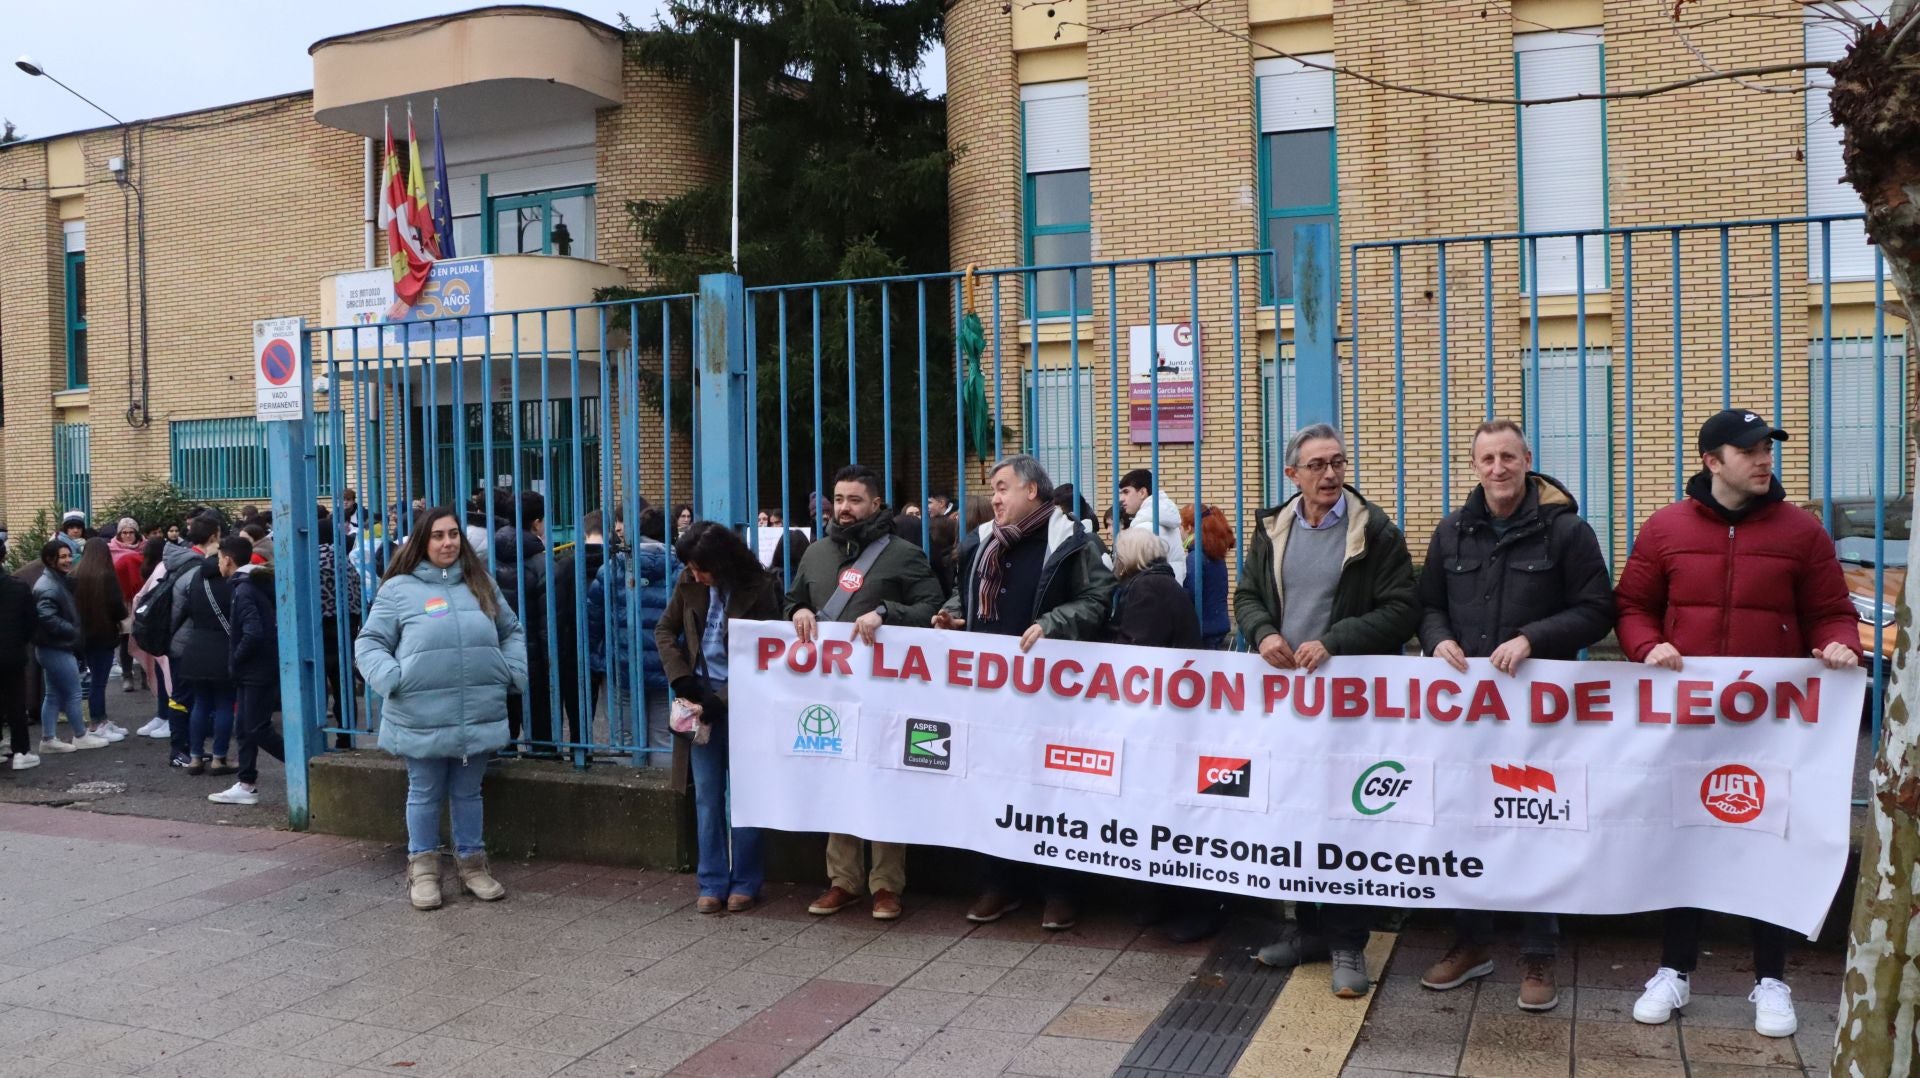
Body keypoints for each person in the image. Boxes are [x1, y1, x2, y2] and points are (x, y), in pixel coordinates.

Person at [1615, 408, 1861, 1039]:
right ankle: (1674, 972)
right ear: (1711, 460)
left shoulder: (1801, 532)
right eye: (1749, 449)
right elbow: (1633, 607)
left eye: (1767, 449)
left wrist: (1839, 646)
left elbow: (1832, 612)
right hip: (1688, 721)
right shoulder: (1666, 528)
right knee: (1686, 838)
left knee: (1766, 840)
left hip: (1771, 726)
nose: (1763, 460)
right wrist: (1648, 647)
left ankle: (1772, 980)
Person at [1414, 420, 1616, 1013]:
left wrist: (1532, 637)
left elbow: (1597, 609)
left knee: (1535, 819)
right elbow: (1427, 605)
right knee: (1465, 819)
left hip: (1538, 714)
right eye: (1486, 459)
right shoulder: (1452, 531)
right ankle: (1473, 942)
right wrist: (1437, 639)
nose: (1498, 468)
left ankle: (1539, 951)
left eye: (1508, 457)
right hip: (1467, 713)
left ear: (1528, 460)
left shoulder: (1567, 532)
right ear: (1473, 466)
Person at [1237, 423, 1419, 999]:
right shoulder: (1274, 528)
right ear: (1292, 474)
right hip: (1287, 703)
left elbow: (1403, 609)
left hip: (1349, 702)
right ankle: (1308, 930)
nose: (1330, 474)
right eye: (1316, 465)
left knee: (1345, 819)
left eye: (1337, 462)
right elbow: (1245, 596)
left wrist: (1337, 640)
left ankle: (1347, 943)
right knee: (1293, 813)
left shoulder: (1376, 532)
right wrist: (1263, 632)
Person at [935, 454, 1115, 931]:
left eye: (1003, 487)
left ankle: (1060, 891)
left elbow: (1098, 600)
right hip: (989, 695)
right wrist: (954, 614)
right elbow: (967, 596)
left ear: (1032, 491)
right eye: (993, 489)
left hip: (1051, 696)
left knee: (1054, 791)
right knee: (993, 785)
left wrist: (1051, 624)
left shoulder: (1074, 543)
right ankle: (999, 883)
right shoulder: (980, 544)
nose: (994, 497)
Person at [789, 465, 947, 922]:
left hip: (887, 695)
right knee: (838, 781)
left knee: (882, 782)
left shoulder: (903, 554)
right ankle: (843, 881)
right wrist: (798, 607)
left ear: (876, 504)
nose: (844, 508)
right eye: (838, 499)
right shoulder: (816, 553)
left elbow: (932, 608)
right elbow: (791, 599)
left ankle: (885, 885)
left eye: (854, 499)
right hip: (829, 693)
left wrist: (885, 612)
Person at [355, 508, 523, 909]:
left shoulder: (480, 583)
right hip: (421, 711)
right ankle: (424, 870)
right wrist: (394, 679)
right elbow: (369, 642)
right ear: (422, 542)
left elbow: (511, 632)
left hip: (477, 708)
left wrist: (511, 671)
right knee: (424, 791)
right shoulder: (399, 589)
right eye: (438, 536)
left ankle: (473, 866)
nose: (448, 543)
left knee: (469, 793)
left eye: (453, 535)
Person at [656, 521, 781, 913]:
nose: (696, 576)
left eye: (701, 569)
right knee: (707, 797)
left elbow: (767, 656)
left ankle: (745, 881)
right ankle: (710, 881)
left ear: (722, 562)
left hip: (745, 705)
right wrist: (681, 679)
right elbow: (664, 630)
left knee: (745, 798)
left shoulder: (760, 588)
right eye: (691, 569)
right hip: (699, 703)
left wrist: (719, 701)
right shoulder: (688, 582)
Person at [589, 507, 674, 765]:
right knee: (664, 738)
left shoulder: (612, 568)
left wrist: (597, 659)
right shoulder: (681, 569)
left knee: (625, 738)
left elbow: (594, 619)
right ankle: (663, 800)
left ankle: (628, 798)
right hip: (667, 665)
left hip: (623, 663)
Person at [211, 536, 283, 806]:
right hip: (256, 669)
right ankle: (246, 782)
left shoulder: (243, 589)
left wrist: (237, 659)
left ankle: (304, 762)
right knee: (244, 726)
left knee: (256, 727)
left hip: (255, 670)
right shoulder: (251, 583)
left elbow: (253, 632)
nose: (218, 563)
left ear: (227, 559)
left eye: (219, 558)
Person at [173, 529, 242, 777]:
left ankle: (194, 757)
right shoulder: (232, 583)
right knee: (224, 703)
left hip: (196, 647)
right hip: (222, 648)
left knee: (200, 703)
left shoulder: (195, 579)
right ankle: (219, 758)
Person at [33, 541, 111, 753]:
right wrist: (73, 630)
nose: (68, 560)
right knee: (73, 692)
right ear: (51, 560)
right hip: (55, 647)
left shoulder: (54, 581)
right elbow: (46, 616)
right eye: (63, 557)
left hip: (52, 646)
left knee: (53, 694)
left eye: (69, 555)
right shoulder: (49, 585)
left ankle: (48, 739)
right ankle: (80, 735)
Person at [494, 491, 554, 751]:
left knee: (503, 724)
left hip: (497, 653)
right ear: (537, 523)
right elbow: (547, 619)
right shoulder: (542, 563)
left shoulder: (486, 559)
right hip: (534, 658)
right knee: (540, 729)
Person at [555, 509, 612, 749]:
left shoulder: (566, 564)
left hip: (574, 644)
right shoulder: (617, 561)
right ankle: (627, 755)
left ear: (583, 532)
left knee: (579, 708)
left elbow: (558, 610)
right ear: (609, 532)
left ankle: (581, 754)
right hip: (611, 642)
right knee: (620, 711)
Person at [70, 536, 130, 743]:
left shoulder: (75, 574)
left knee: (92, 680)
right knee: (99, 682)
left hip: (83, 636)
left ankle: (100, 720)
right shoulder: (106, 576)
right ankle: (98, 722)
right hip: (104, 634)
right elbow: (117, 608)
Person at [317, 518, 364, 749]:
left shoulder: (310, 560)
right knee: (343, 686)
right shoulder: (345, 562)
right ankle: (346, 737)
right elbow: (357, 597)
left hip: (318, 631)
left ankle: (316, 737)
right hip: (345, 630)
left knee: (316, 685)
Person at [1117, 469, 1185, 584]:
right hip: (1170, 590)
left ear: (1142, 492)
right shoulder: (1164, 520)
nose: (1121, 499)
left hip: (1152, 593)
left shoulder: (1146, 527)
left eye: (1126, 492)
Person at [1180, 504, 1234, 649]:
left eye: (1180, 527)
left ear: (1189, 528)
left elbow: (1192, 593)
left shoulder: (1195, 556)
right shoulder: (1214, 552)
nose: (1179, 532)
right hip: (1218, 623)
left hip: (1204, 628)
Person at [0, 568, 35, 770]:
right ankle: (21, 750)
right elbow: (30, 621)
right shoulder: (18, 587)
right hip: (12, 652)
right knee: (16, 702)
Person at [109, 518, 147, 692]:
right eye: (124, 532)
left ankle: (147, 675)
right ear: (119, 534)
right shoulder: (111, 550)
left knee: (144, 637)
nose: (128, 536)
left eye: (131, 532)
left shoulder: (145, 548)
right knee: (125, 637)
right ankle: (127, 675)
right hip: (123, 600)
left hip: (143, 598)